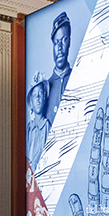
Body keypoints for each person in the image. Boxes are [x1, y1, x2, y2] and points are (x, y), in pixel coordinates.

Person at [27, 11, 74, 170]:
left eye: (64, 40)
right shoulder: (44, 88)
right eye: (56, 42)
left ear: (69, 42)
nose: (60, 47)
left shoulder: (78, 78)